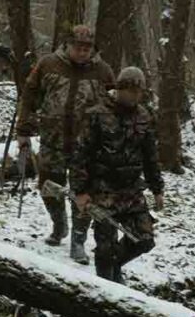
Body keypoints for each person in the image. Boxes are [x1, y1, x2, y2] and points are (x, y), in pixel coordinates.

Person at [16, 25, 116, 262]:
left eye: (87, 48)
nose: (82, 52)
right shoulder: (48, 64)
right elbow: (29, 96)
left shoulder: (103, 71)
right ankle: (59, 224)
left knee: (83, 194)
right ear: (67, 45)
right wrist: (23, 130)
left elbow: (114, 107)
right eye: (78, 47)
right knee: (48, 187)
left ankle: (78, 241)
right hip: (53, 140)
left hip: (88, 146)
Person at [70, 67, 164, 283]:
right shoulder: (97, 114)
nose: (134, 96)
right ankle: (106, 289)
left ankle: (115, 267)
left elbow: (150, 156)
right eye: (130, 90)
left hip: (132, 190)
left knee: (144, 240)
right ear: (119, 89)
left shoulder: (144, 116)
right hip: (103, 189)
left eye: (138, 91)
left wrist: (157, 189)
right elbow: (80, 155)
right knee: (105, 247)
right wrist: (81, 191)